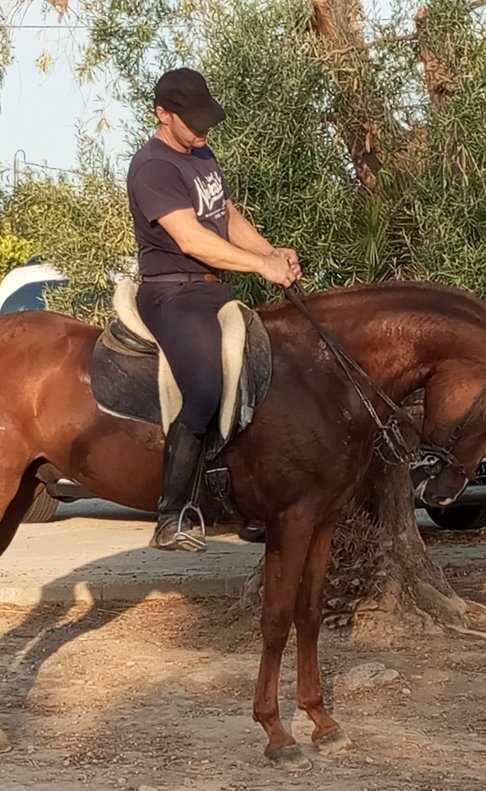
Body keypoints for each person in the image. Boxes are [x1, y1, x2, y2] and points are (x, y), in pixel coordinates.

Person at [126, 67, 302, 552]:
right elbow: (193, 238)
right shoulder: (152, 167)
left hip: (213, 291)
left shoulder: (200, 152)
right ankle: (171, 515)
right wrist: (258, 268)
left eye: (206, 119)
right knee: (204, 391)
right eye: (192, 120)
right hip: (173, 295)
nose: (203, 129)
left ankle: (251, 498)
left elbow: (223, 215)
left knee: (271, 376)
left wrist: (271, 252)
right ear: (162, 114)